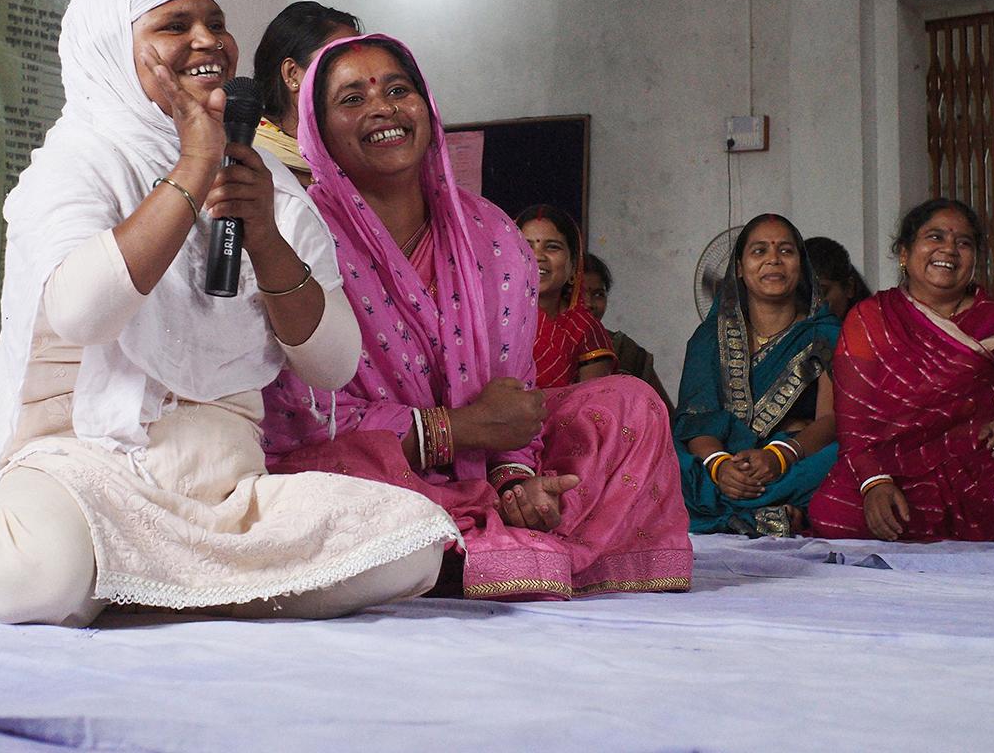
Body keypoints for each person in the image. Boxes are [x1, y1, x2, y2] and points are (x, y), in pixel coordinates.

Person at [0, 0, 457, 625]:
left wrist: (264, 235)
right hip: (85, 471)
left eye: (215, 23)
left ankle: (146, 580)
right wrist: (193, 168)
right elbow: (82, 313)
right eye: (175, 25)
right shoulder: (78, 161)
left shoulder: (271, 186)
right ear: (112, 44)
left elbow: (333, 362)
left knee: (411, 543)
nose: (207, 41)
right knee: (41, 574)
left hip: (227, 490)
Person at [261, 33, 691, 600]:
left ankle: (487, 536)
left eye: (398, 89)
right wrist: (452, 431)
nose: (383, 108)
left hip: (482, 459)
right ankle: (470, 545)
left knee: (630, 403)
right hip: (373, 464)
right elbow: (298, 414)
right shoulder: (296, 231)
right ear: (318, 133)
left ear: (428, 108)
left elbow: (510, 401)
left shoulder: (489, 233)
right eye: (352, 100)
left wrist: (515, 477)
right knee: (315, 482)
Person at [807, 199, 994, 542]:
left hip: (979, 473)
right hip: (894, 471)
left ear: (974, 259)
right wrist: (875, 482)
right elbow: (855, 423)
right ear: (904, 252)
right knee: (831, 509)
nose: (949, 250)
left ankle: (923, 530)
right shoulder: (870, 318)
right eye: (935, 237)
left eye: (964, 243)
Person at [672, 214, 841, 536]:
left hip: (792, 460)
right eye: (759, 251)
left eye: (786, 251)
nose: (773, 260)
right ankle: (770, 514)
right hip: (718, 462)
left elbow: (830, 421)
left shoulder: (825, 334)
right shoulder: (709, 337)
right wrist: (720, 466)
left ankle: (729, 513)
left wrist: (779, 456)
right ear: (738, 267)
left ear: (801, 265)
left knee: (841, 457)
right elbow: (697, 420)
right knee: (664, 458)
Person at [250, 1, 361, 185]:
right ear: (292, 74)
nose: (358, 74)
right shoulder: (249, 160)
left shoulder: (358, 154)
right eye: (341, 64)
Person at [516, 205, 615, 387]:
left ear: (574, 264)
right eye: (525, 246)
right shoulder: (492, 322)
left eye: (552, 247)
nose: (537, 256)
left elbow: (593, 404)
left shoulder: (584, 329)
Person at [581, 252, 673, 410]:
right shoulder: (543, 347)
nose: (589, 304)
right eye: (580, 294)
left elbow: (664, 415)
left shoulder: (627, 351)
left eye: (598, 294)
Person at [804, 235, 872, 322]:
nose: (809, 304)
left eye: (820, 293)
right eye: (800, 294)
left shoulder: (872, 329)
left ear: (849, 288)